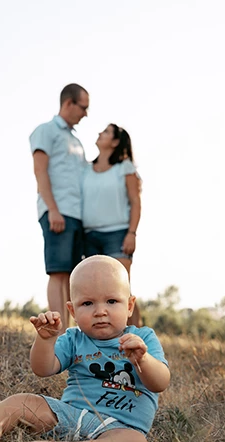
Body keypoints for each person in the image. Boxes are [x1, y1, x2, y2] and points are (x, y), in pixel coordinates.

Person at [0, 255, 170, 442]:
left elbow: (160, 383)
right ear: (72, 311)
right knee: (23, 403)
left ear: (129, 305)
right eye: (87, 303)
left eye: (111, 301)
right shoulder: (74, 339)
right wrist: (45, 340)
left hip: (120, 429)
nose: (100, 311)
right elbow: (43, 369)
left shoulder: (142, 338)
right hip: (70, 417)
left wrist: (143, 360)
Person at [29, 83, 89, 333]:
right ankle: (58, 331)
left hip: (77, 215)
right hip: (58, 211)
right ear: (68, 103)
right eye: (83, 107)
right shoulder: (46, 131)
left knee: (73, 277)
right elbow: (40, 171)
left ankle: (71, 330)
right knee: (58, 272)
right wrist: (52, 209)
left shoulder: (76, 141)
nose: (85, 113)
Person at [82, 124, 143, 327]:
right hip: (89, 235)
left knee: (121, 290)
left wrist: (131, 233)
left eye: (106, 132)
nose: (100, 133)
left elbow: (135, 201)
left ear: (115, 142)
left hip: (117, 234)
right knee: (94, 291)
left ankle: (137, 339)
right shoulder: (85, 169)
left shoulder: (124, 167)